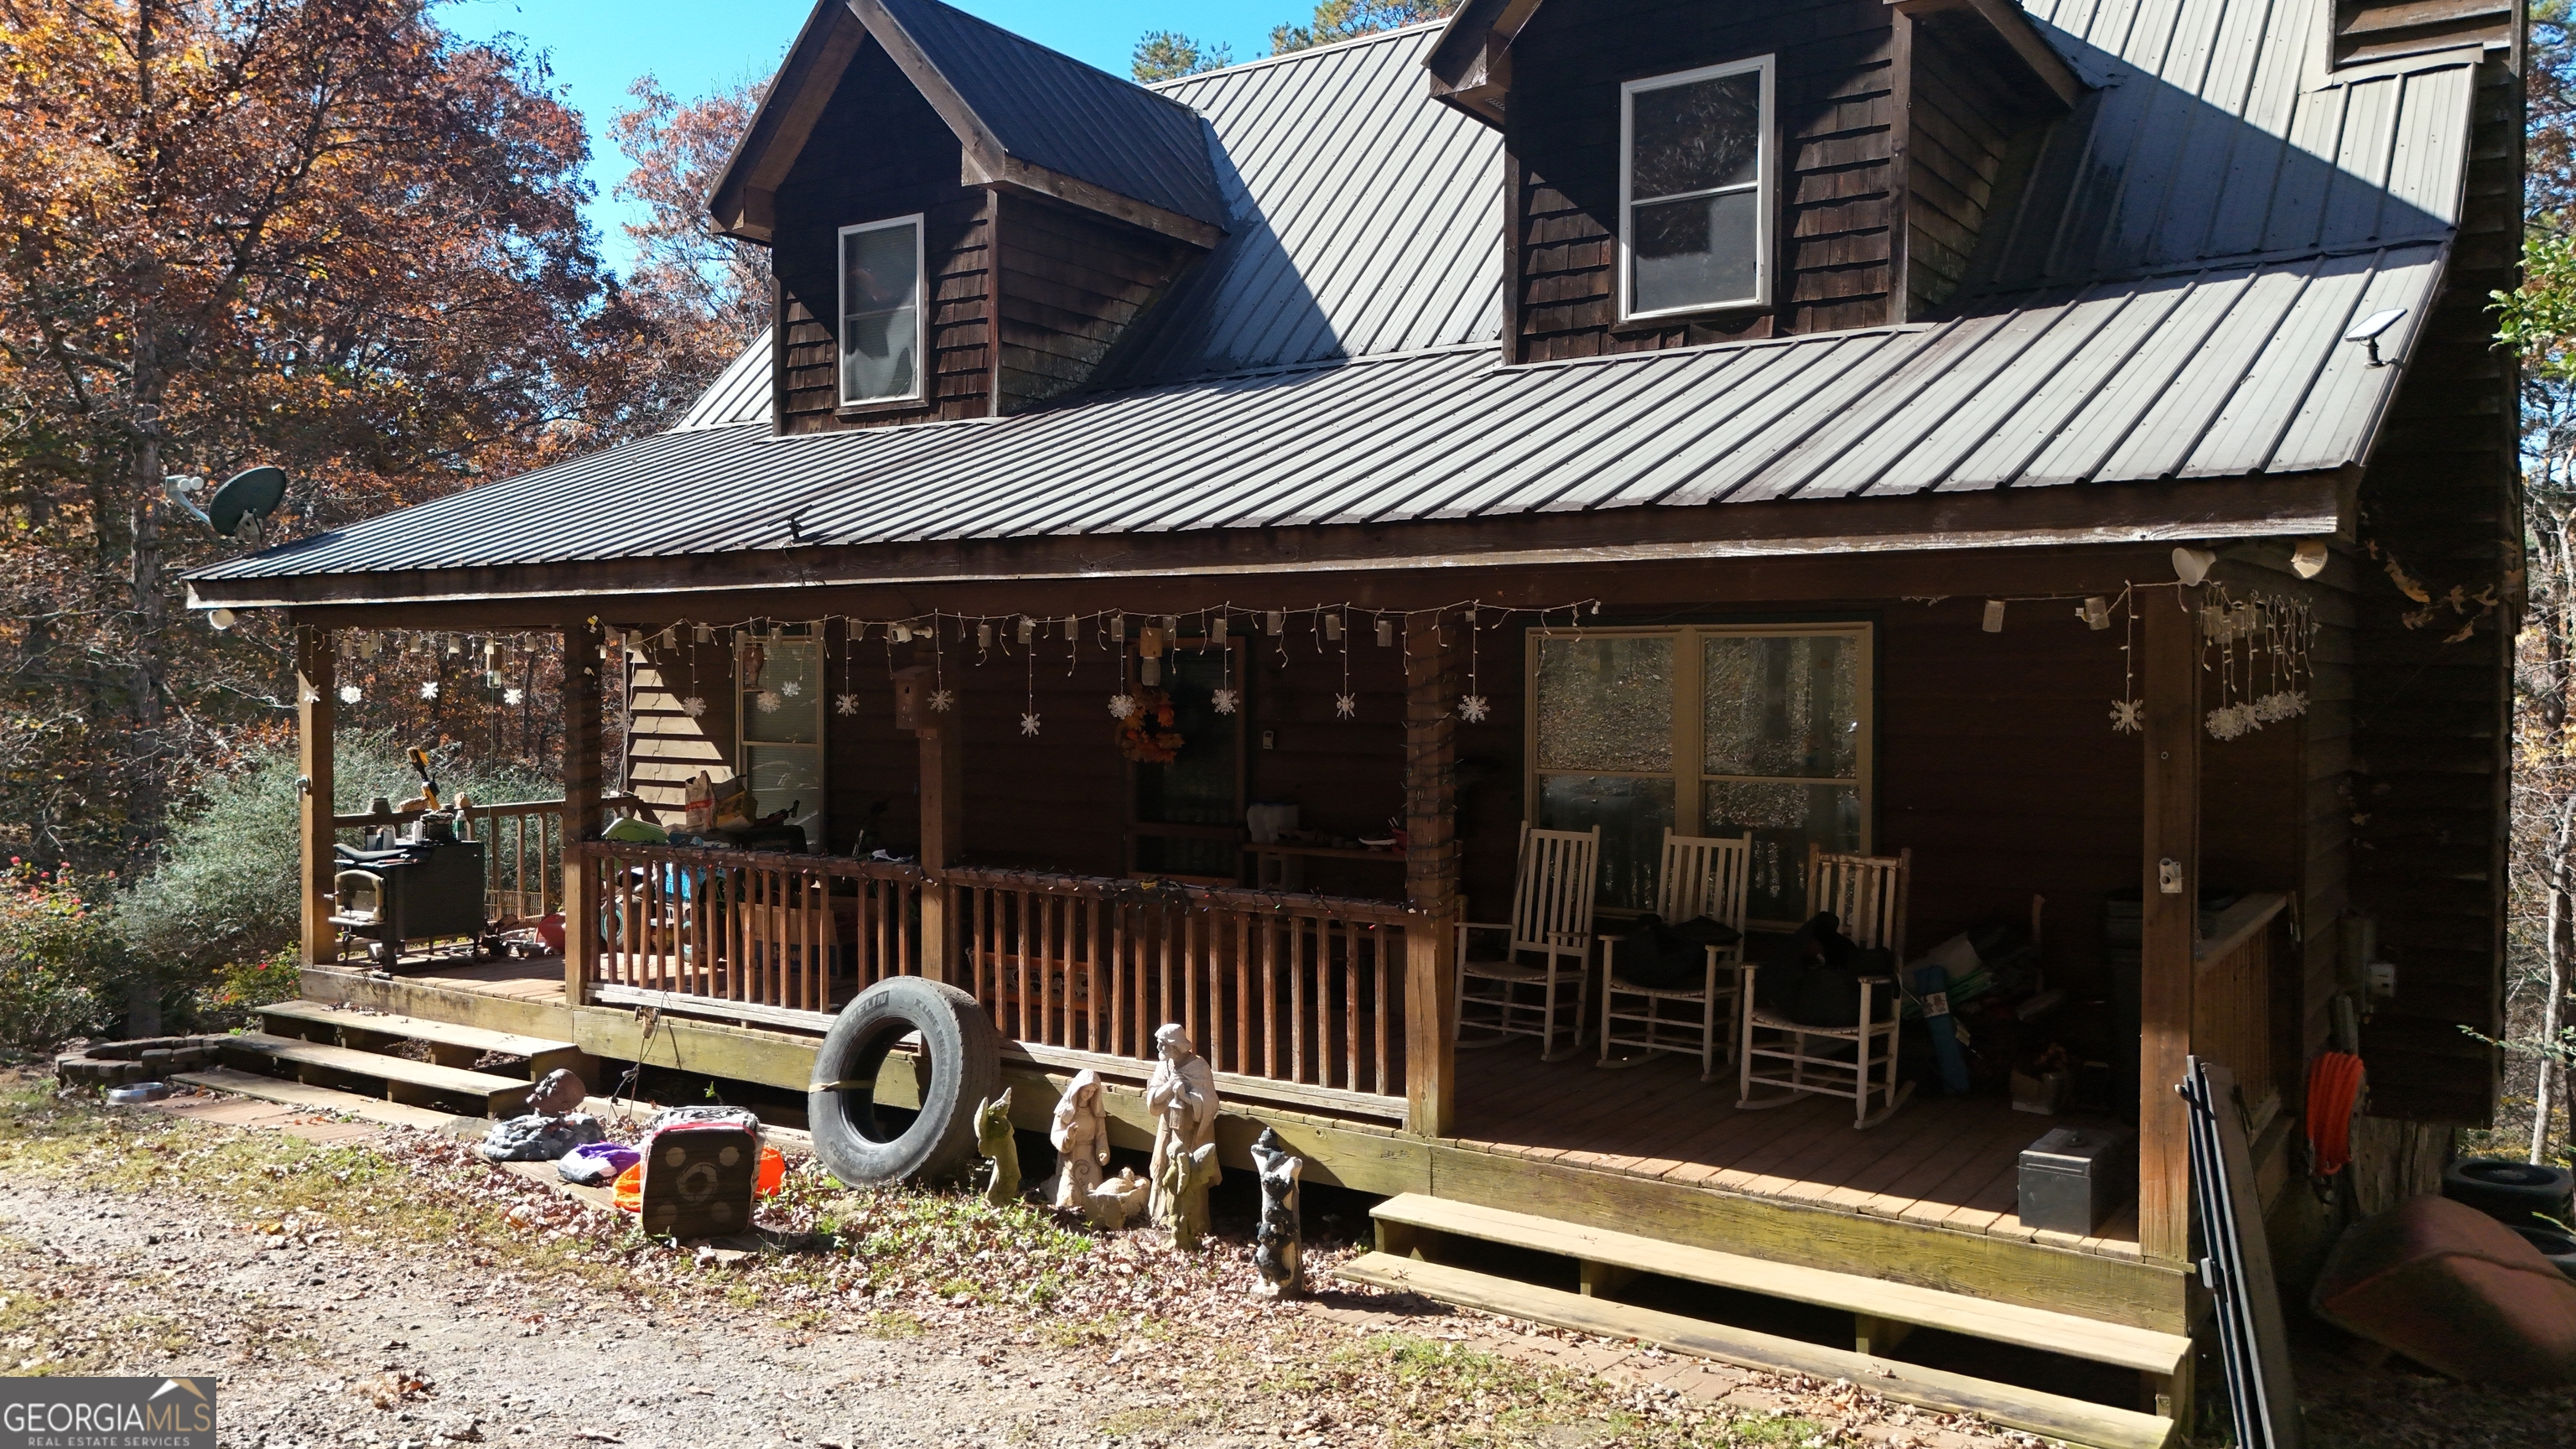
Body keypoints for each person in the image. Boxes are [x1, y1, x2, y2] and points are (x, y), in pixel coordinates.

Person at [1145, 1024, 1219, 1223]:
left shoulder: (1198, 1067)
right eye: (1158, 1044)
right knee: (1163, 1165)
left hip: (1188, 1129)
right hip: (1167, 1124)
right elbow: (1153, 1097)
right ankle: (1161, 1213)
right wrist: (1170, 1086)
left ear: (1176, 1047)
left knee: (1185, 1168)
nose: (1159, 1049)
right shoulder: (1164, 1065)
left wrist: (1186, 1096)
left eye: (1163, 1045)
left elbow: (1210, 1101)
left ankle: (1189, 1219)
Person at [1049, 1069, 1111, 1212]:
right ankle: (1052, 1185)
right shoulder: (1066, 1111)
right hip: (1070, 1158)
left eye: (1092, 1092)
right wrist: (1068, 1136)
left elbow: (1101, 1135)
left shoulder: (1096, 1113)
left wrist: (1102, 1151)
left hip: (1090, 1159)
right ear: (1078, 1088)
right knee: (1069, 1199)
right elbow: (1055, 1134)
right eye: (1086, 1090)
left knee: (1093, 1198)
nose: (1089, 1095)